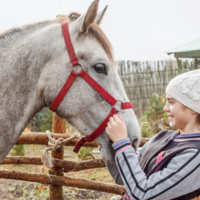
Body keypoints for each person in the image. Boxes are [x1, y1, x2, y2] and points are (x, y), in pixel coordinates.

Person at [105, 69, 200, 200]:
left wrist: (121, 143)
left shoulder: (195, 154)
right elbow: (123, 176)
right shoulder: (162, 137)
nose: (165, 108)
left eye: (171, 102)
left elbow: (143, 194)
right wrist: (105, 140)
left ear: (193, 107)